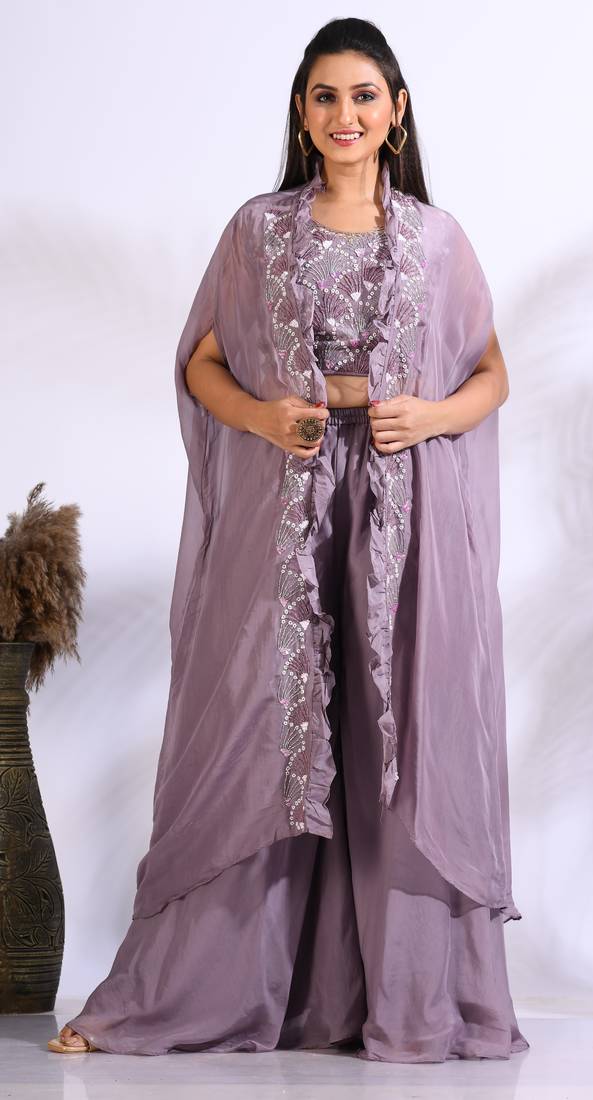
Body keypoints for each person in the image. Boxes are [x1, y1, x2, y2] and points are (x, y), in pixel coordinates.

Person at [49, 17, 530, 1062]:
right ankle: (194, 993)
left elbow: (490, 371)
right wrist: (265, 419)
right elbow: (202, 361)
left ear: (396, 111)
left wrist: (428, 415)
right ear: (301, 114)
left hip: (402, 517)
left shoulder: (437, 240)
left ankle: (410, 1000)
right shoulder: (259, 231)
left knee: (394, 739)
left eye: (362, 95)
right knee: (261, 737)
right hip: (289, 517)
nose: (343, 114)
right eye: (323, 96)